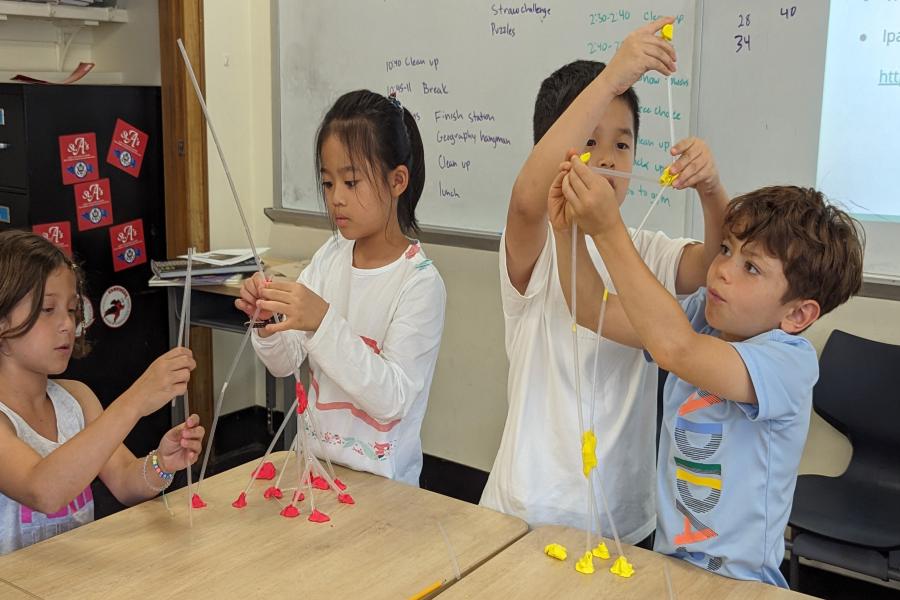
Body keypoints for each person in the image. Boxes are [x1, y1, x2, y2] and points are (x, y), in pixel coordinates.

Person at [480, 17, 729, 547]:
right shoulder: (539, 242)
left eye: (623, 144)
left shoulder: (647, 249)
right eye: (591, 142)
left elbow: (714, 264)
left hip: (623, 515)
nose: (611, 161)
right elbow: (527, 197)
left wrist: (710, 188)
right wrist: (614, 77)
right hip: (527, 509)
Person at [555, 160, 864, 585]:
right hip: (671, 571)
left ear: (797, 314)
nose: (721, 269)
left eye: (750, 267)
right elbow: (591, 308)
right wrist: (565, 229)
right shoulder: (703, 317)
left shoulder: (788, 362)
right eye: (725, 250)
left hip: (741, 586)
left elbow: (676, 349)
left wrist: (608, 231)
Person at [237, 90, 446, 485]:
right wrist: (268, 322)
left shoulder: (419, 282)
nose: (336, 198)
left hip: (385, 488)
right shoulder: (331, 256)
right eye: (328, 183)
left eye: (351, 182)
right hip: (313, 474)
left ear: (397, 180)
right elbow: (285, 362)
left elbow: (392, 400)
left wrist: (323, 321)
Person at [0, 229, 202, 555]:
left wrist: (162, 462)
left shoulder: (76, 400)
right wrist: (135, 400)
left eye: (70, 310)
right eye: (47, 310)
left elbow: (125, 481)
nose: (67, 324)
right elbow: (43, 492)